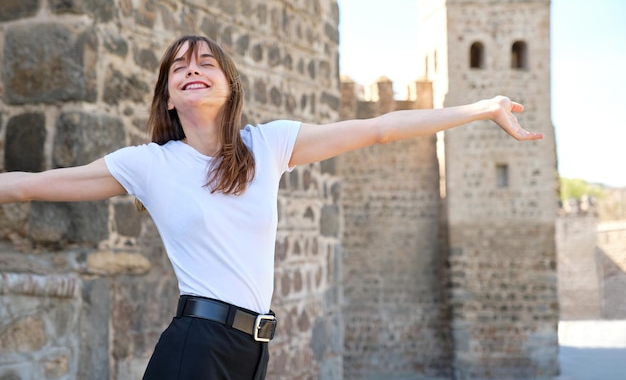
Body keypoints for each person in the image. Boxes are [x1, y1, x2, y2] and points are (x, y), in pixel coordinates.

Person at [0, 35, 544, 380]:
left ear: (229, 85)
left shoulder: (270, 145)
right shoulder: (148, 165)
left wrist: (481, 108)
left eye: (206, 62)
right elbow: (29, 185)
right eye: (179, 67)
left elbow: (379, 129)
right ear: (167, 96)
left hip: (253, 351)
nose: (193, 69)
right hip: (197, 345)